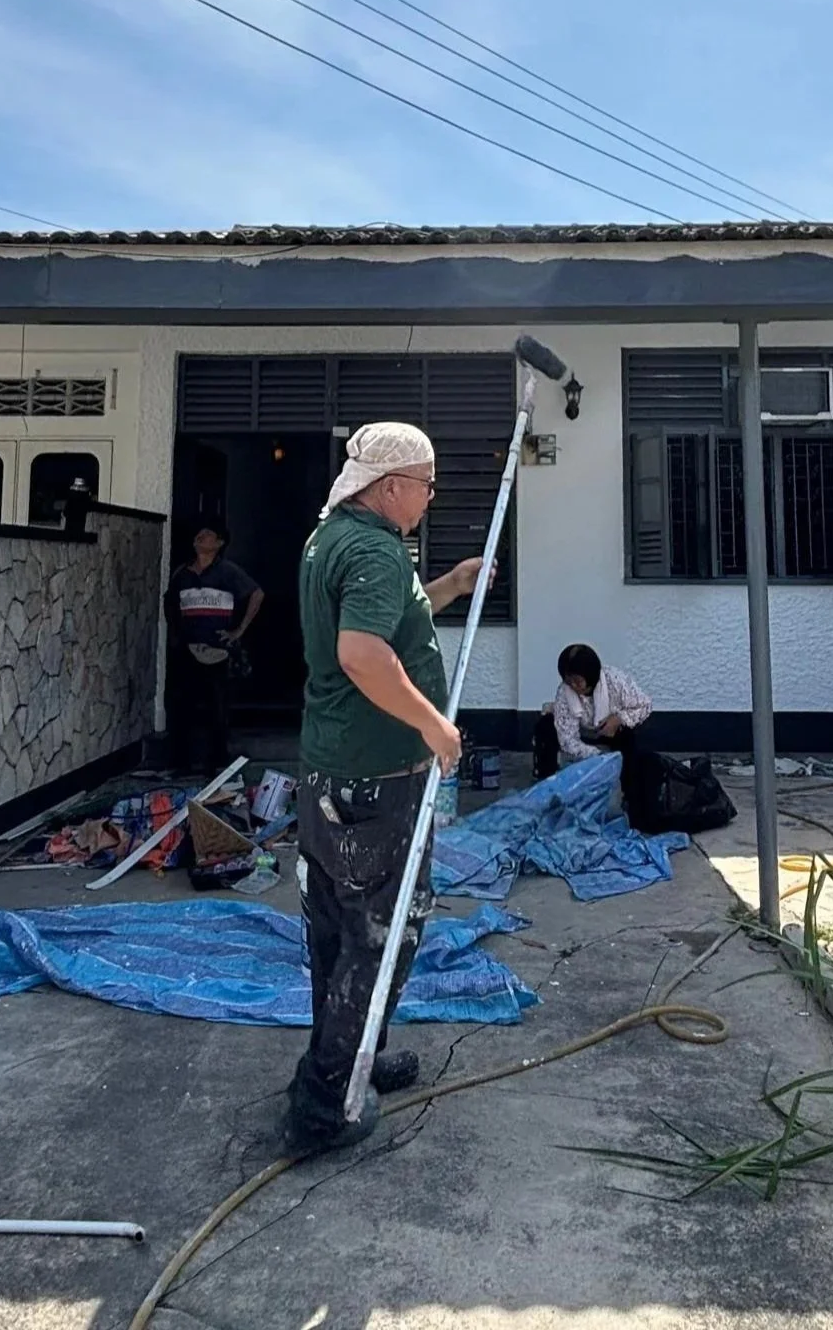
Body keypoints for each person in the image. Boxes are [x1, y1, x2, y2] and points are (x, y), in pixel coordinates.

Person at [284, 422, 489, 1155]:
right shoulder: (372, 549)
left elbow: (388, 623)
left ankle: (343, 1063)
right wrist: (436, 727)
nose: (432, 499)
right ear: (394, 484)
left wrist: (452, 586)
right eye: (428, 486)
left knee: (338, 933)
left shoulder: (334, 538)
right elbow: (363, 653)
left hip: (333, 772)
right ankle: (323, 1104)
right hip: (376, 780)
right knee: (380, 939)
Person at [163, 524, 264, 775]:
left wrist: (238, 630)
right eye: (198, 534)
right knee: (182, 706)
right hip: (188, 647)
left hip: (217, 649)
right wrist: (176, 635)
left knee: (216, 708)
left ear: (219, 543)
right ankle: (181, 764)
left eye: (207, 535)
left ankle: (216, 764)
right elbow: (170, 603)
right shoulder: (182, 574)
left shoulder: (228, 572)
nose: (200, 537)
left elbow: (257, 594)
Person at [543, 643, 653, 817]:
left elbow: (645, 705)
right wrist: (599, 756)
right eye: (568, 680)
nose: (573, 685)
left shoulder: (615, 681)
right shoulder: (564, 693)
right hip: (584, 737)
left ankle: (632, 799)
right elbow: (567, 740)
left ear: (590, 675)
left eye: (577, 680)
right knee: (545, 727)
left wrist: (619, 719)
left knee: (633, 742)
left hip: (613, 731)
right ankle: (550, 793)